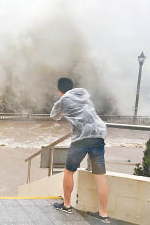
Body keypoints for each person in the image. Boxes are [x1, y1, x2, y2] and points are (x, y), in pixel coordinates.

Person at [50, 78, 110, 224]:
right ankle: (103, 214)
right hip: (99, 134)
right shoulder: (83, 93)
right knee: (101, 176)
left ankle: (67, 205)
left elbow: (54, 116)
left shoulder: (62, 100)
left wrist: (61, 105)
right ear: (72, 87)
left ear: (59, 90)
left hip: (81, 138)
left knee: (69, 171)